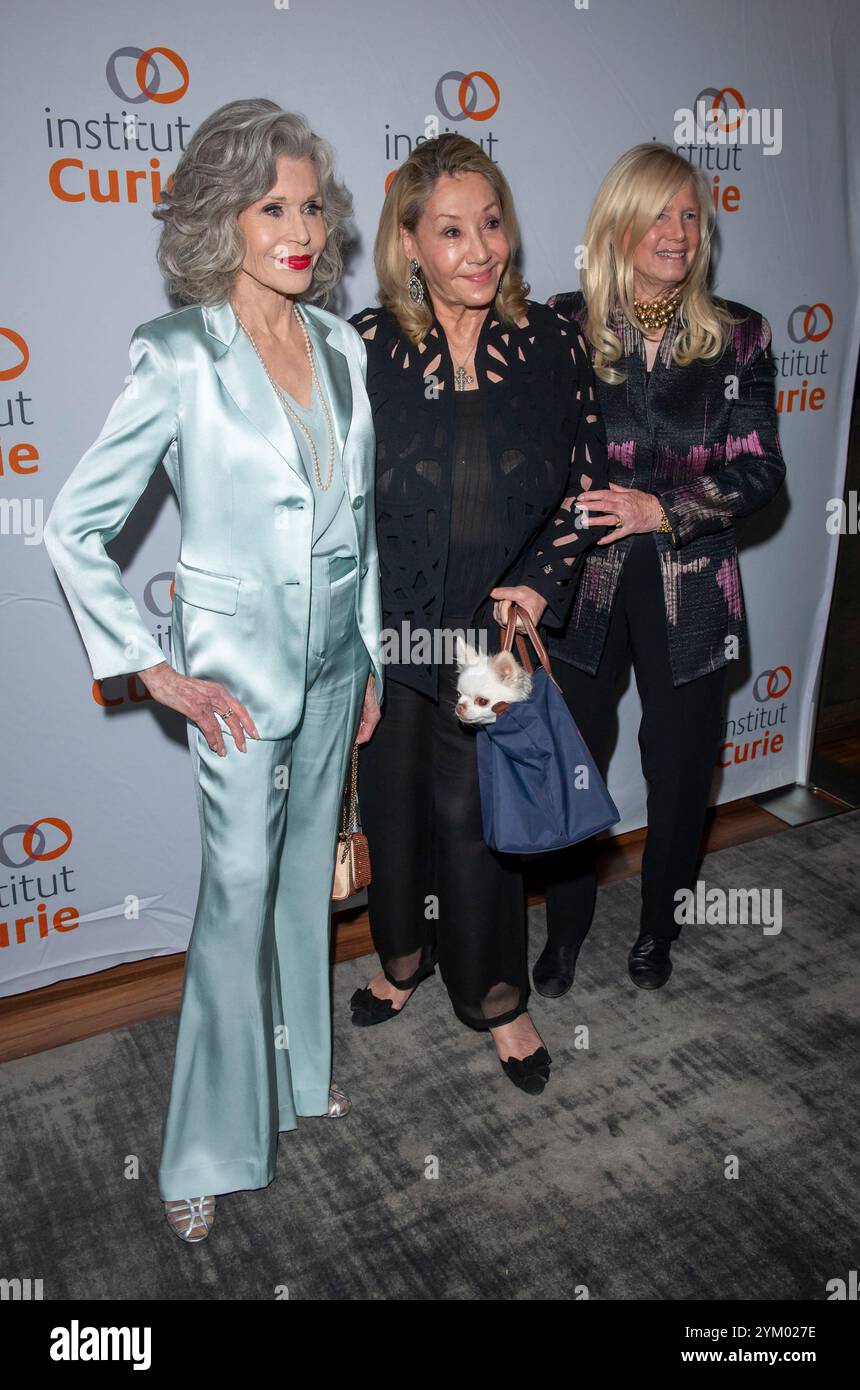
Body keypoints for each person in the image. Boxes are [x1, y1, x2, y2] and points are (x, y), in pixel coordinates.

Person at [42, 98, 383, 1241]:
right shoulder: (178, 353)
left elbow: (359, 523)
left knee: (301, 892)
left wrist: (372, 648)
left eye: (310, 204)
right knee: (234, 903)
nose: (299, 227)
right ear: (219, 219)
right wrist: (152, 671)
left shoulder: (339, 344)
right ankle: (199, 1145)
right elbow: (72, 527)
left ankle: (291, 1079)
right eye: (269, 206)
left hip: (336, 663)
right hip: (234, 680)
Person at [346, 134, 610, 1094]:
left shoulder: (550, 343)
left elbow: (585, 486)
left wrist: (542, 579)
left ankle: (498, 996)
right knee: (395, 807)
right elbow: (333, 503)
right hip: (390, 624)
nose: (478, 248)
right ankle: (402, 961)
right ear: (409, 242)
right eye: (450, 230)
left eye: (491, 223)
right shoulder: (365, 346)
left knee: (479, 822)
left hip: (488, 633)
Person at [535, 142, 786, 996]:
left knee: (681, 774)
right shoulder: (562, 323)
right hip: (587, 580)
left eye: (690, 215)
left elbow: (760, 471)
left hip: (694, 583)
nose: (677, 232)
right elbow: (534, 459)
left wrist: (664, 509)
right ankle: (564, 931)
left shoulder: (740, 335)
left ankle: (656, 932)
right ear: (620, 222)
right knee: (572, 761)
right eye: (659, 214)